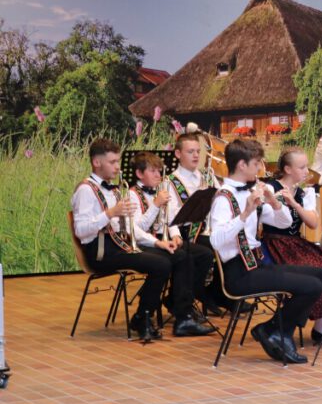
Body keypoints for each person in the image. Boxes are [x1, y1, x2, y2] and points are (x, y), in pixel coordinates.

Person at [209, 138, 322, 363]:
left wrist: (274, 202)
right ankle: (279, 332)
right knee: (310, 286)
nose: (260, 168)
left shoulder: (252, 190)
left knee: (320, 274)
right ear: (242, 165)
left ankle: (274, 329)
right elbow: (216, 241)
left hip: (257, 264)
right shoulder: (224, 198)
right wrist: (244, 214)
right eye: (256, 163)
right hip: (238, 273)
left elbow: (283, 223)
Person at [71, 139, 171, 340]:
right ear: (96, 162)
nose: (117, 166)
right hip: (100, 252)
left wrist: (155, 241)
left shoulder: (115, 190)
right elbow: (81, 230)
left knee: (168, 257)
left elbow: (128, 228)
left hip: (118, 245)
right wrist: (110, 213)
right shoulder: (86, 190)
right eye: (112, 162)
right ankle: (142, 317)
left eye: (118, 161)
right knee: (160, 264)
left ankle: (146, 313)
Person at [261, 147, 322, 346]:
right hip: (275, 244)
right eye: (302, 167)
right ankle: (310, 326)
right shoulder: (271, 188)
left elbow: (313, 223)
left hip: (296, 244)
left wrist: (295, 204)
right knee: (320, 271)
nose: (307, 171)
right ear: (287, 169)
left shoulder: (304, 193)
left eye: (306, 166)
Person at [127, 152, 216, 336]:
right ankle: (183, 316)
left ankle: (178, 300)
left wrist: (176, 236)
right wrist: (155, 205)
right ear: (139, 174)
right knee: (182, 257)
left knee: (204, 254)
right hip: (144, 243)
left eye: (159, 171)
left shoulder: (160, 191)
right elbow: (138, 229)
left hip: (163, 240)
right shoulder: (132, 195)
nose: (158, 175)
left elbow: (170, 219)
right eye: (153, 171)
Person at [165, 132, 231, 316]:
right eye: (190, 152)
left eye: (197, 151)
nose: (195, 155)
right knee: (208, 251)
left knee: (230, 244)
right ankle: (195, 293)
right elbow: (169, 215)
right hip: (186, 234)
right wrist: (175, 235)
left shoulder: (207, 176)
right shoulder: (170, 181)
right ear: (178, 154)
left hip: (207, 230)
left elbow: (221, 200)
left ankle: (219, 293)